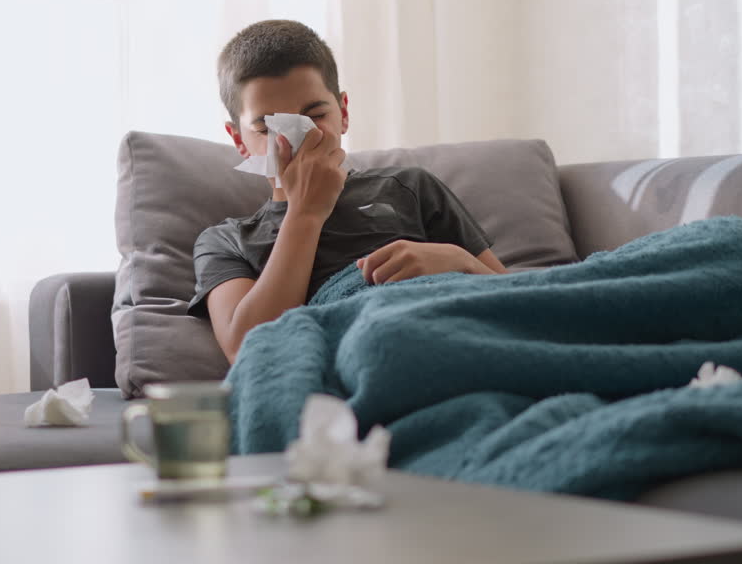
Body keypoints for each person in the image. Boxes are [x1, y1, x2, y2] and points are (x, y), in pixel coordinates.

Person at [189, 20, 506, 363]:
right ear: (239, 140)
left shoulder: (409, 187)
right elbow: (246, 348)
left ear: (343, 112)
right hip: (370, 353)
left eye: (315, 115)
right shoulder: (226, 241)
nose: (299, 138)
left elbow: (519, 299)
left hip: (456, 329)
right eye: (269, 127)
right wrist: (305, 212)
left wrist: (460, 262)